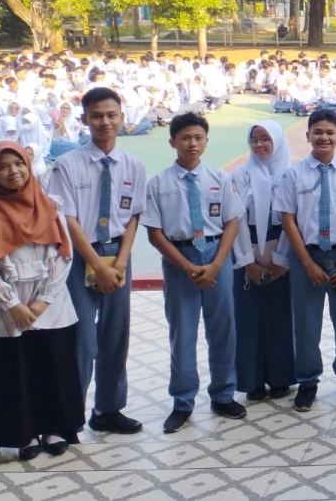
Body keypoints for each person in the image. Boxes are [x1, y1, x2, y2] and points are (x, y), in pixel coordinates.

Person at [0, 142, 82, 460]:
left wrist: (43, 300)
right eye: (3, 166)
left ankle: (56, 427)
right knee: (14, 370)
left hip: (51, 303)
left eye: (17, 164)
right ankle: (23, 433)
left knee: (53, 365)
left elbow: (64, 255)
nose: (12, 172)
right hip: (5, 307)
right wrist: (13, 304)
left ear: (28, 165)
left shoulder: (50, 204)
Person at [47, 87, 145, 436]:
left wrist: (119, 263)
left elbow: (133, 217)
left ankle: (108, 409)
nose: (105, 122)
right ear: (84, 119)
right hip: (78, 257)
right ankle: (71, 414)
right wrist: (98, 265)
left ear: (121, 117)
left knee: (115, 335)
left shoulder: (134, 165)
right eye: (97, 116)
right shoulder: (67, 165)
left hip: (118, 256)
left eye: (111, 115)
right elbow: (67, 220)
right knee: (81, 339)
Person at [142, 113, 247, 433]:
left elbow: (231, 222)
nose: (192, 143)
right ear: (173, 141)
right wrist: (186, 266)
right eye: (185, 138)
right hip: (179, 262)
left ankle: (223, 393)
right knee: (182, 333)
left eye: (198, 137)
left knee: (223, 329)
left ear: (206, 141)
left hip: (217, 257)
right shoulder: (158, 184)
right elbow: (155, 233)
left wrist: (217, 264)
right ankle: (183, 400)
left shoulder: (219, 178)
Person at [275, 109, 336, 412]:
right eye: (317, 132)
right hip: (307, 257)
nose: (323, 137)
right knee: (305, 322)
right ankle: (308, 380)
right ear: (307, 136)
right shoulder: (293, 175)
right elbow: (288, 221)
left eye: (330, 132)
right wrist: (307, 264)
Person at [231, 121, 295, 402]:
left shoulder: (290, 175)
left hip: (282, 250)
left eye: (265, 139)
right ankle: (252, 380)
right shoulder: (241, 175)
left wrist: (281, 259)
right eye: (254, 139)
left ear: (278, 141)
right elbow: (235, 220)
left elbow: (293, 221)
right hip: (247, 252)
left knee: (280, 318)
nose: (259, 145)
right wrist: (248, 262)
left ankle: (281, 378)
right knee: (248, 319)